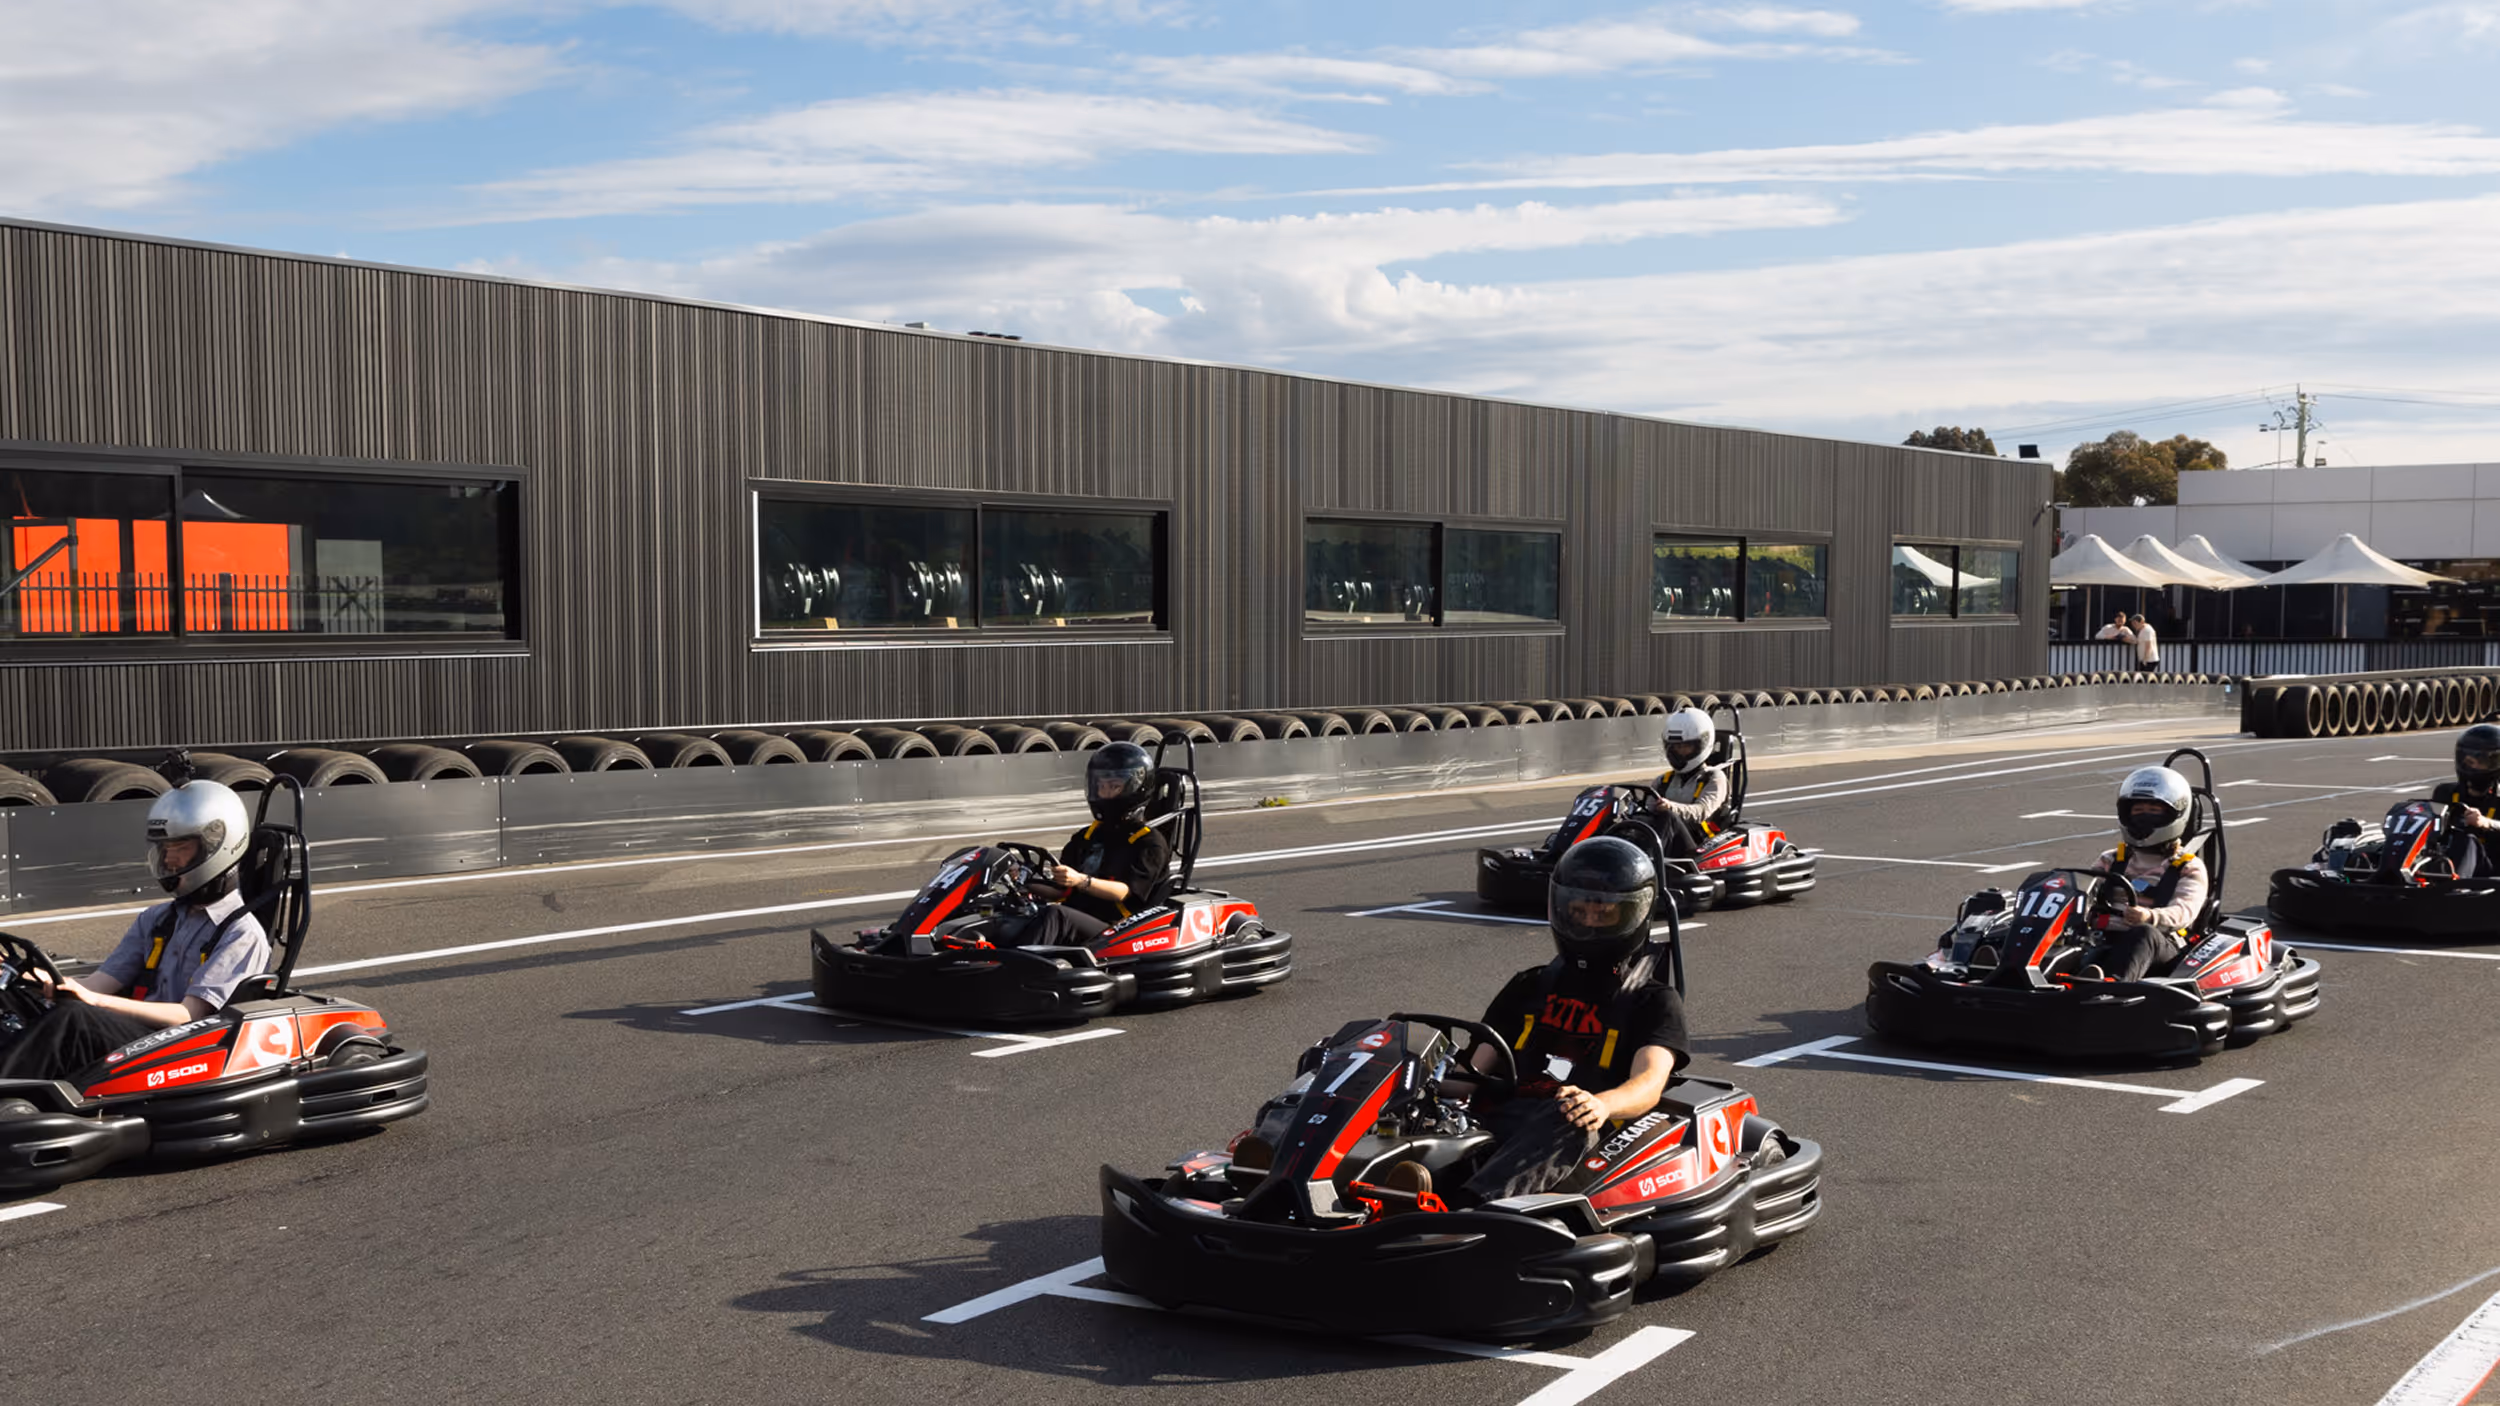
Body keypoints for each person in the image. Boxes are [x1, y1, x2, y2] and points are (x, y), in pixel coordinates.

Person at [1429, 837, 1689, 1205]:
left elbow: (1649, 1083)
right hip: (1504, 1115)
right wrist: (1414, 1080)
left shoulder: (1653, 999)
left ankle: (1471, 1208)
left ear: (1634, 914)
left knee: (1568, 1115)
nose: (1588, 922)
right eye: (1579, 912)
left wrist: (1601, 1105)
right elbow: (1471, 1073)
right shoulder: (1530, 984)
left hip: (1582, 1127)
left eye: (1604, 913)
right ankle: (1381, 1186)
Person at [0, 779, 270, 1081]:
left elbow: (188, 1016)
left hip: (182, 1047)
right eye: (165, 848)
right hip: (137, 1037)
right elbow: (99, 984)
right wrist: (21, 975)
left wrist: (93, 1002)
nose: (169, 859)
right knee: (14, 997)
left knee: (73, 1018)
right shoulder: (157, 919)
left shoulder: (241, 934)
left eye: (180, 847)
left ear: (217, 848)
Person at [1015, 741, 1175, 947]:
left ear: (1134, 788)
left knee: (1056, 915)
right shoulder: (1087, 837)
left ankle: (1013, 973)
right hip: (1078, 915)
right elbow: (1059, 891)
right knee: (1014, 912)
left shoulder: (1149, 842)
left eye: (1114, 787)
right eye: (1101, 786)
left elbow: (1124, 892)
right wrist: (1021, 881)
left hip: (1118, 927)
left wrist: (1081, 880)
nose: (1105, 793)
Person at [2081, 766, 2209, 982]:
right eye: (2138, 810)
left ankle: (2111, 986)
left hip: (2160, 944)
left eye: (2154, 810)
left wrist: (2151, 916)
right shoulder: (2110, 859)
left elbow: (2184, 912)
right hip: (2101, 937)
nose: (2144, 817)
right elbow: (2083, 890)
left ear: (2174, 815)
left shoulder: (2188, 866)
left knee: (2143, 934)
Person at [1646, 706, 1731, 855]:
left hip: (1699, 845)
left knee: (1668, 818)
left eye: (1686, 746)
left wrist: (1670, 807)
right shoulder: (1662, 781)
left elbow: (1701, 812)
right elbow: (1647, 811)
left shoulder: (1714, 778)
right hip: (1666, 843)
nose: (1680, 752)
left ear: (1702, 745)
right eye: (1676, 747)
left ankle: (1646, 862)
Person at [2432, 724, 2500, 875]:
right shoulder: (2445, 792)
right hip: (2445, 860)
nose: (2471, 766)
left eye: (2479, 761)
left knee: (2467, 841)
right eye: (2467, 761)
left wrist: (2487, 823)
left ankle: (2455, 888)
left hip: (2490, 869)